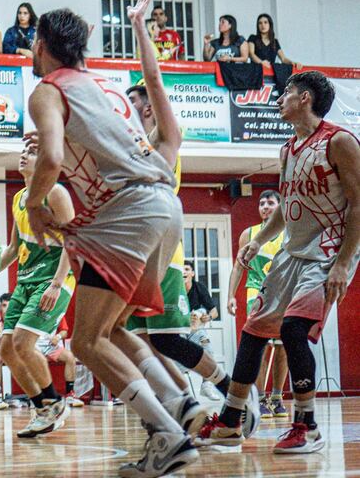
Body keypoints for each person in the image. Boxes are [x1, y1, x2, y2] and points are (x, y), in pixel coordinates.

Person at [27, 0, 201, 477]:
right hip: (167, 208)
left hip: (130, 213)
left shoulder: (48, 89)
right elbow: (164, 127)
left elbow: (52, 158)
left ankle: (167, 431)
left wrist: (35, 202)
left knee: (85, 341)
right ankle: (178, 402)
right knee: (113, 328)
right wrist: (140, 26)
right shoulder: (107, 87)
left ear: (41, 45)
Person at [198, 71, 360, 454]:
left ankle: (307, 426)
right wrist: (257, 240)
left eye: (286, 92)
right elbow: (286, 209)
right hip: (291, 253)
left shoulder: (339, 141)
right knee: (254, 330)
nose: (279, 98)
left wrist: (343, 262)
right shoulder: (288, 149)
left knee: (291, 330)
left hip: (327, 252)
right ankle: (230, 421)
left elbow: (358, 203)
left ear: (304, 98)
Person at [124, 82, 234, 404]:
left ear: (147, 108)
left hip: (163, 254)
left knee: (168, 340)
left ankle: (227, 387)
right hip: (136, 254)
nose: (124, 106)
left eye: (131, 101)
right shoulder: (133, 145)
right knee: (141, 345)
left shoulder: (161, 140)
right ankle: (181, 404)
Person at [0, 146, 77, 437]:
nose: (23, 154)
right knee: (6, 349)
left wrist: (57, 284)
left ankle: (55, 403)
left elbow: (73, 240)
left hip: (54, 279)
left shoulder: (55, 193)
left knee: (22, 343)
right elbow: (10, 250)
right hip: (25, 279)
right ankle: (43, 408)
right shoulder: (19, 198)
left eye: (32, 151)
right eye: (23, 150)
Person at [226, 189, 289, 418]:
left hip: (283, 294)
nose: (264, 206)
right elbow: (238, 266)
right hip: (257, 292)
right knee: (261, 345)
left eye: (270, 203)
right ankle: (261, 397)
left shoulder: (289, 233)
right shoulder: (249, 234)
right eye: (261, 203)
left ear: (280, 207)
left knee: (283, 347)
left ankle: (277, 397)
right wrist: (230, 295)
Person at [182, 262, 223, 399]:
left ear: (192, 273)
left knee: (208, 350)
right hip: (178, 331)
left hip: (194, 331)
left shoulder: (199, 287)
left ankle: (206, 386)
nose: (184, 272)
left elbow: (215, 312)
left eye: (187, 269)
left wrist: (207, 317)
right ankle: (180, 392)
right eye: (181, 269)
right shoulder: (174, 288)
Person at [36, 317, 82, 407]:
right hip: (35, 346)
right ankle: (38, 396)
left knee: (70, 357)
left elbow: (64, 331)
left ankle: (70, 394)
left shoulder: (59, 311)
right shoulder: (33, 310)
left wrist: (58, 337)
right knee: (36, 361)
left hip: (51, 346)